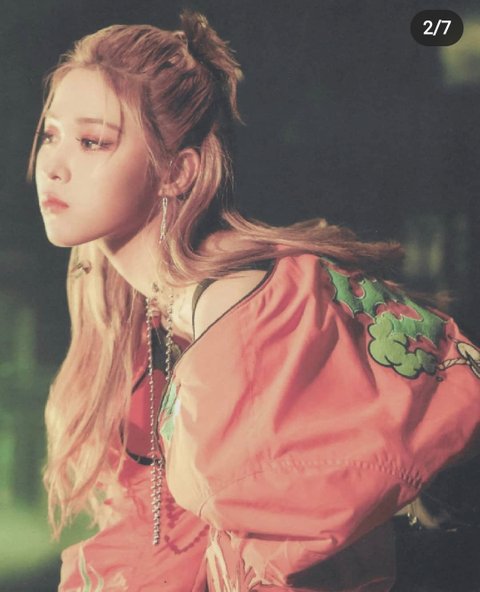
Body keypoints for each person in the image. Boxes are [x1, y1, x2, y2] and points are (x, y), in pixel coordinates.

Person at [30, 10, 480, 592]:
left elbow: (297, 540)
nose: (52, 166)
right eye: (50, 135)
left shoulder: (239, 312)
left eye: (92, 142)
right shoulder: (133, 301)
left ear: (176, 173)